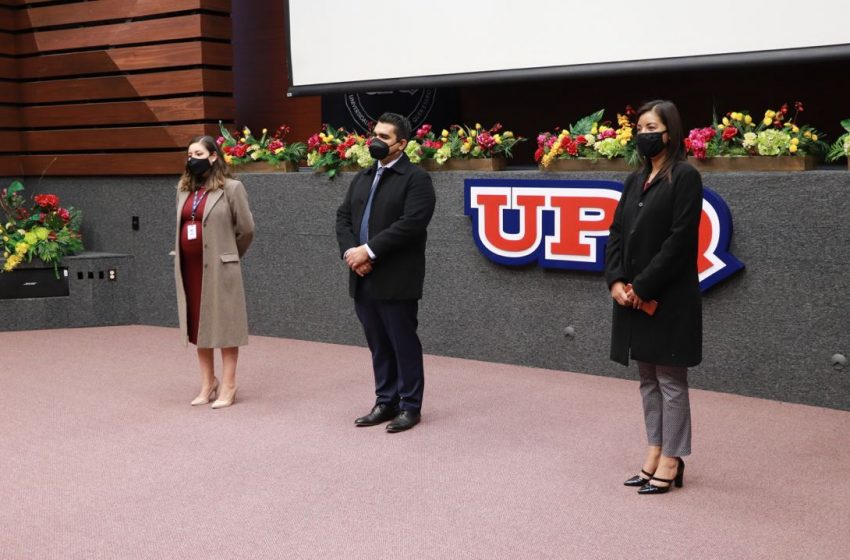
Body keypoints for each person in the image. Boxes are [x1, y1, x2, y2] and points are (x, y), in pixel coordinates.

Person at [604, 100, 703, 494]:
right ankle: (655, 449)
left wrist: (641, 286)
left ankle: (674, 458)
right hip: (630, 297)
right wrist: (616, 280)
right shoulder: (633, 180)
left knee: (671, 379)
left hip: (668, 298)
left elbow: (679, 244)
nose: (643, 133)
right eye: (639, 126)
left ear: (670, 132)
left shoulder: (685, 178)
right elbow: (615, 233)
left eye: (651, 127)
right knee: (647, 378)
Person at [335, 112, 437, 433]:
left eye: (384, 137)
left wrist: (370, 250)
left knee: (402, 342)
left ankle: (409, 406)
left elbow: (411, 224)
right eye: (374, 134)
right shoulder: (363, 176)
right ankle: (385, 400)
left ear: (402, 144)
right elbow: (343, 218)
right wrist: (353, 254)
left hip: (396, 277)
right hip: (362, 275)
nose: (375, 141)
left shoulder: (416, 179)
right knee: (378, 343)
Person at [174, 135, 255, 409]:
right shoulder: (184, 190)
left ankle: (229, 385)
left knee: (225, 326)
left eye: (197, 154)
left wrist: (230, 255)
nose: (191, 159)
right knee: (199, 326)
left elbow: (246, 229)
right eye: (189, 154)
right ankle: (208, 383)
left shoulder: (232, 188)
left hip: (221, 269)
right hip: (190, 268)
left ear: (212, 157)